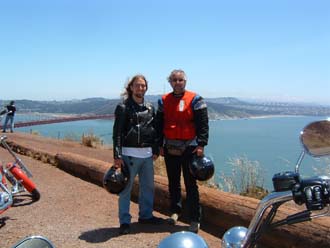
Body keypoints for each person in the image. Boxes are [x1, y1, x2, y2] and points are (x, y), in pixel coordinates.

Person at [156, 69, 209, 233]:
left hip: (190, 149)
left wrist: (201, 145)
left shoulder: (196, 99)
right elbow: (159, 125)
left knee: (191, 184)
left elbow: (203, 124)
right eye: (174, 80)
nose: (177, 83)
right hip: (170, 148)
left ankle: (195, 218)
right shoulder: (163, 100)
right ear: (170, 82)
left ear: (185, 81)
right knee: (173, 182)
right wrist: (160, 145)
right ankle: (175, 211)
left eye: (180, 80)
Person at [112, 74, 163, 235]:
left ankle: (146, 216)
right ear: (131, 87)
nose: (140, 88)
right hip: (128, 154)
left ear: (146, 88)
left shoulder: (150, 108)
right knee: (125, 189)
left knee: (148, 188)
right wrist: (117, 155)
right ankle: (125, 221)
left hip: (147, 155)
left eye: (143, 85)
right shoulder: (123, 107)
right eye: (137, 85)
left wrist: (155, 149)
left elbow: (155, 131)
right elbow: (117, 133)